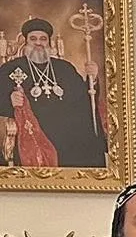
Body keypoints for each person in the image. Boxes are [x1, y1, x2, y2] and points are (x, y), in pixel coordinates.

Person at [2, 17, 106, 169]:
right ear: (26, 42)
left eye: (43, 39)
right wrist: (9, 100)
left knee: (84, 136)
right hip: (35, 127)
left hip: (67, 128)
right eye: (33, 39)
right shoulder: (11, 68)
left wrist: (93, 79)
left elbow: (83, 99)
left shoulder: (64, 67)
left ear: (49, 43)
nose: (38, 43)